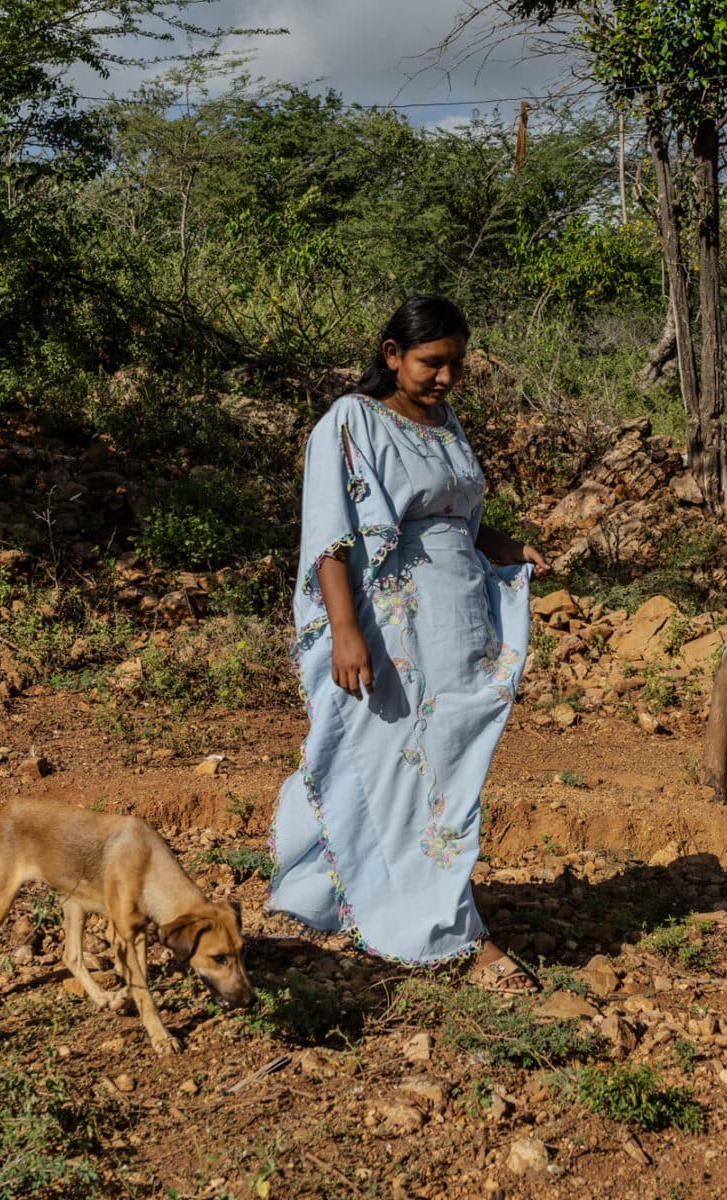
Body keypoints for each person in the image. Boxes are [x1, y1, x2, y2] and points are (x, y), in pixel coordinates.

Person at [268, 295, 549, 993]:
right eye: (433, 362)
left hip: (456, 632)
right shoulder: (351, 421)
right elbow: (331, 538)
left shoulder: (446, 424)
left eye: (457, 364)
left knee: (446, 774)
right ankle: (457, 933)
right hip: (391, 631)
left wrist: (511, 547)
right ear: (392, 354)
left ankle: (349, 899)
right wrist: (345, 633)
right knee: (398, 772)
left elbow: (456, 517)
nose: (447, 377)